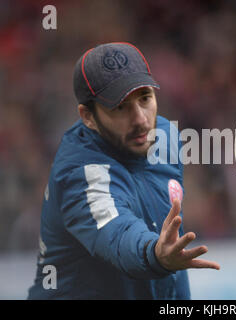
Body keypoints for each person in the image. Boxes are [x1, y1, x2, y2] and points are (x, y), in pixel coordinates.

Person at [27, 42, 220, 300]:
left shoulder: (166, 137)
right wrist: (154, 254)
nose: (140, 119)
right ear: (88, 116)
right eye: (120, 107)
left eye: (145, 98)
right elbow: (118, 234)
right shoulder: (81, 174)